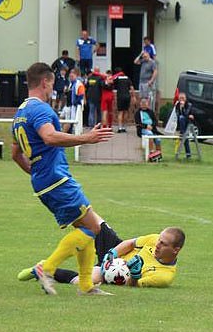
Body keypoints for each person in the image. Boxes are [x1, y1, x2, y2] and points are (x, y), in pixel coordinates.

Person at [10, 62, 114, 296]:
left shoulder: (19, 115)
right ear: (45, 81)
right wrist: (86, 138)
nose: (53, 87)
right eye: (52, 83)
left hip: (43, 181)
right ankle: (46, 269)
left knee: (87, 228)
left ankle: (86, 286)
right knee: (93, 228)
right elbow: (49, 137)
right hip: (57, 179)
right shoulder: (41, 110)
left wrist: (36, 172)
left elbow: (15, 154)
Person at [18, 221, 184, 289]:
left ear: (176, 250)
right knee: (94, 222)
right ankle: (66, 212)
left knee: (83, 282)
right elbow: (130, 243)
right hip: (115, 253)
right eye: (159, 240)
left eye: (164, 244)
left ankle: (42, 267)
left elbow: (132, 285)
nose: (158, 245)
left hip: (116, 275)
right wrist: (112, 253)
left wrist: (134, 274)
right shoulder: (154, 239)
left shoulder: (164, 277)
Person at [174, 93, 196, 158]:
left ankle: (182, 132)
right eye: (180, 98)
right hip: (181, 124)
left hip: (188, 122)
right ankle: (188, 155)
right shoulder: (177, 105)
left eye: (183, 98)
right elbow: (177, 115)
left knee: (182, 118)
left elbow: (186, 114)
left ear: (185, 99)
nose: (181, 100)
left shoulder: (189, 105)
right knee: (185, 139)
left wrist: (183, 108)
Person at [112, 68, 133, 133]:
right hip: (127, 96)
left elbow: (111, 82)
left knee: (120, 112)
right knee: (126, 111)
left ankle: (120, 128)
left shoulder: (117, 78)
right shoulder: (127, 78)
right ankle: (124, 127)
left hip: (120, 96)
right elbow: (132, 87)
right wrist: (133, 96)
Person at [63, 68, 84, 134]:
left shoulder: (79, 84)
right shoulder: (70, 84)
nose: (71, 77)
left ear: (76, 76)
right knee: (64, 118)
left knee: (71, 120)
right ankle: (66, 132)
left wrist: (76, 103)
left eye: (72, 76)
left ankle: (66, 133)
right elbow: (68, 94)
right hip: (68, 105)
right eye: (70, 76)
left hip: (74, 106)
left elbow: (81, 95)